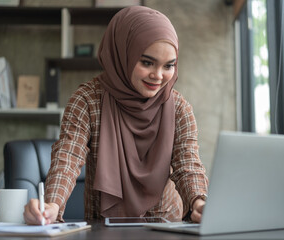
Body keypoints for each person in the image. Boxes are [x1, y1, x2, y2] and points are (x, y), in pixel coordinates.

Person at [23, 5, 208, 225]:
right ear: (123, 54)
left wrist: (200, 203)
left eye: (168, 66)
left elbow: (188, 164)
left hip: (165, 229)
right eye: (147, 62)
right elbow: (68, 157)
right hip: (103, 230)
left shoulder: (179, 108)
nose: (158, 76)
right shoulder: (88, 100)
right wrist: (52, 205)